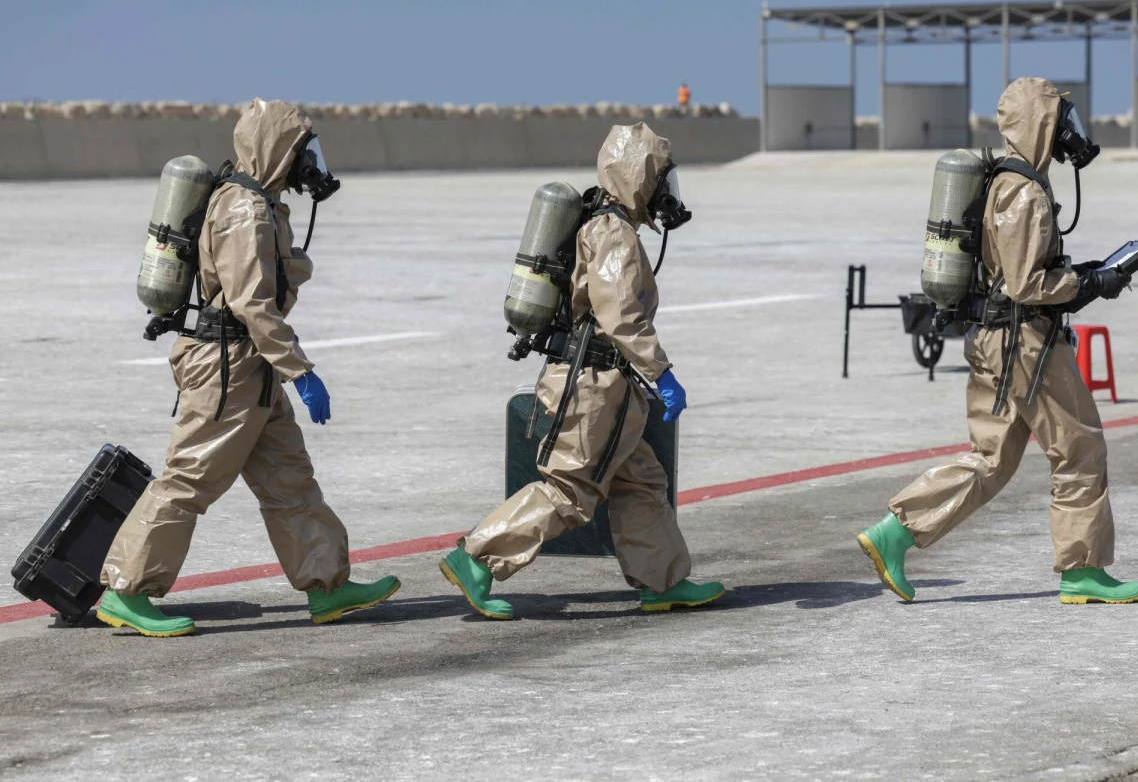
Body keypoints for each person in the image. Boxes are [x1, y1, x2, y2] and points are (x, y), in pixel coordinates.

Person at [99, 99, 400, 637]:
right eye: (301, 149)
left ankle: (327, 586)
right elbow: (252, 303)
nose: (308, 160)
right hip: (227, 366)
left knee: (290, 481)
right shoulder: (243, 208)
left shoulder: (264, 204)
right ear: (275, 148)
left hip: (252, 366)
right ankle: (126, 589)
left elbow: (279, 279)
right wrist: (300, 371)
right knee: (190, 478)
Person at [856, 78, 1138, 606]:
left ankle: (894, 534)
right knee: (1080, 447)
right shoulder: (1026, 191)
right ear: (1042, 123)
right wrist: (1090, 284)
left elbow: (1017, 272)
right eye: (1062, 121)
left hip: (998, 339)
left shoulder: (1005, 181)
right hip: (1027, 343)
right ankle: (1083, 570)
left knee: (991, 458)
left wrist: (1080, 274)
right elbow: (1027, 284)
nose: (1069, 132)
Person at [439, 123, 725, 619]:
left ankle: (662, 582)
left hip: (609, 388)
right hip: (596, 388)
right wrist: (662, 372)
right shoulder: (612, 233)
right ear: (638, 178)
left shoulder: (605, 224)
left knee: (641, 483)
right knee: (569, 491)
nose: (666, 195)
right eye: (659, 181)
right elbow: (620, 314)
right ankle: (478, 558)